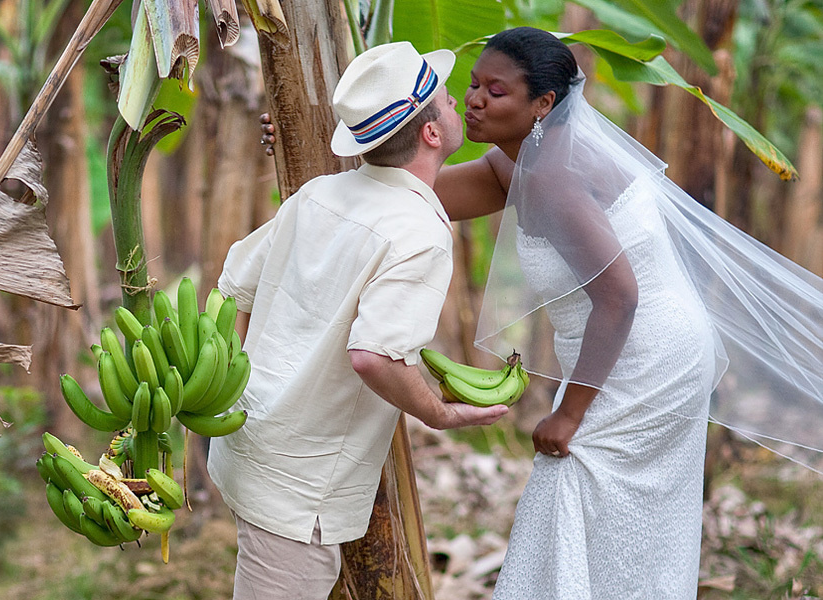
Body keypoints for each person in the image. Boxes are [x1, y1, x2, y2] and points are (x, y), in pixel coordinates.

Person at [265, 26, 823, 599]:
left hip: (650, 355)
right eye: (474, 85)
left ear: (544, 104)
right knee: (601, 513)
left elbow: (619, 295)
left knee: (572, 487)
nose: (476, 98)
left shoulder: (554, 176)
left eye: (496, 91)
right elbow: (399, 198)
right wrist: (300, 148)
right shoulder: (516, 165)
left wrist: (570, 414)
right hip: (625, 347)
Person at [207, 41, 508, 600]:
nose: (458, 99)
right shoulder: (419, 232)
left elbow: (233, 286)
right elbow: (373, 355)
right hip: (300, 490)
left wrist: (252, 389)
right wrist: (439, 413)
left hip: (249, 441)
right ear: (432, 134)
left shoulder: (319, 191)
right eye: (446, 97)